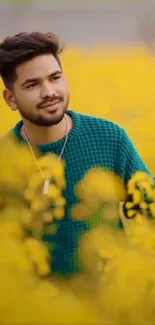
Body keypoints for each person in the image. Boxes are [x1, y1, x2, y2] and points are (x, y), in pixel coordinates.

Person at [0, 32, 152, 275]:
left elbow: (150, 211)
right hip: (31, 309)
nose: (48, 92)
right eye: (32, 85)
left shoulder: (110, 138)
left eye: (55, 78)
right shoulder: (5, 159)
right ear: (11, 99)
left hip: (108, 306)